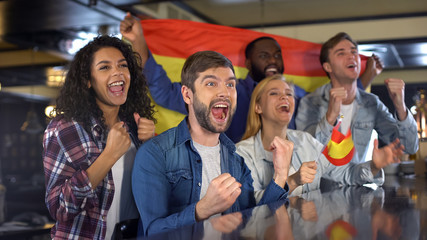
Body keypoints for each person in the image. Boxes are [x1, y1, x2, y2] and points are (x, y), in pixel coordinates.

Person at [120, 14, 381, 143]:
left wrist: (365, 76)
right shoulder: (231, 92)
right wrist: (140, 42)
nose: (272, 60)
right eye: (264, 55)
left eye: (277, 55)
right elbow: (164, 91)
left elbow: (338, 94)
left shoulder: (298, 94)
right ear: (247, 64)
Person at [132, 51, 291, 236]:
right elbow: (152, 232)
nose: (224, 92)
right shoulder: (155, 153)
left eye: (230, 84)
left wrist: (280, 176)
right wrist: (202, 210)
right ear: (187, 94)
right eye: (211, 83)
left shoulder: (236, 160)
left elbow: (253, 221)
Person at [43, 35, 155, 239]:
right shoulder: (65, 128)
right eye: (104, 67)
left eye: (123, 65)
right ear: (87, 80)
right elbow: (59, 208)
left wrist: (152, 146)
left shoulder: (135, 127)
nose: (118, 72)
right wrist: (108, 156)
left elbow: (155, 195)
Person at [236, 75, 404, 199]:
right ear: (258, 107)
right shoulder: (242, 153)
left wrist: (374, 166)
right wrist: (293, 181)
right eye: (274, 93)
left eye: (288, 94)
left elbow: (347, 174)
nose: (284, 97)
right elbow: (249, 206)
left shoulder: (306, 141)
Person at [296, 32, 419, 163]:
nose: (351, 57)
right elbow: (305, 151)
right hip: (321, 183)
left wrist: (401, 108)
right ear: (328, 66)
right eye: (341, 53)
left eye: (354, 52)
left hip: (357, 182)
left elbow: (409, 148)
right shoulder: (311, 102)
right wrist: (330, 118)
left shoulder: (371, 103)